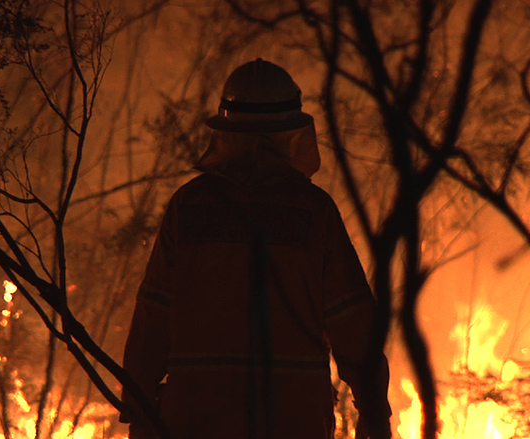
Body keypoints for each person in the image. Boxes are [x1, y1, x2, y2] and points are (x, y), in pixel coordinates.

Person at [121, 58, 392, 439]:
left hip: (195, 419)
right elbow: (352, 322)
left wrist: (138, 407)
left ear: (225, 132)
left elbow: (154, 316)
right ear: (292, 134)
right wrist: (375, 414)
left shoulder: (190, 207)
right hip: (292, 420)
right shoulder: (313, 212)